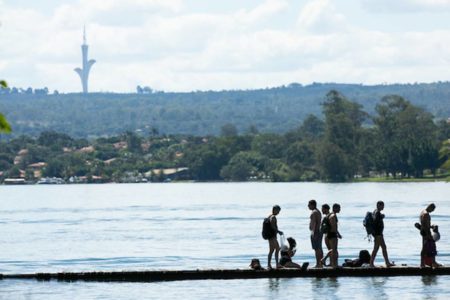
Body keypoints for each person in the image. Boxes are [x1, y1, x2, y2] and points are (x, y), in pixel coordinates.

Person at [369, 201, 394, 267]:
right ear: (378, 205)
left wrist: (381, 216)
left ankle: (387, 262)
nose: (383, 207)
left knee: (384, 247)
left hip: (379, 234)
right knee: (376, 248)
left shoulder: (376, 212)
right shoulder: (377, 213)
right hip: (378, 234)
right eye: (382, 205)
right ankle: (371, 263)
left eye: (383, 205)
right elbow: (375, 221)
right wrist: (382, 216)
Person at [420, 203, 441, 268]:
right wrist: (428, 235)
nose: (432, 211)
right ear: (430, 207)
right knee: (432, 247)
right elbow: (425, 225)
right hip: (426, 233)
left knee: (425, 248)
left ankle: (423, 263)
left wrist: (431, 226)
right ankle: (433, 263)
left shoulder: (422, 212)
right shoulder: (426, 214)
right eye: (433, 210)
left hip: (424, 232)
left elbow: (424, 224)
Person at [308, 199, 323, 268]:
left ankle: (318, 264)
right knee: (319, 248)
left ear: (313, 205)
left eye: (309, 205)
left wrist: (314, 233)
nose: (308, 206)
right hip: (319, 231)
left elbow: (314, 223)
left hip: (316, 231)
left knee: (317, 249)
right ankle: (321, 263)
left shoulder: (314, 212)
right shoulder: (318, 212)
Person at [267, 205, 283, 269]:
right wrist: (278, 231)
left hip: (270, 236)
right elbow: (273, 226)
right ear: (275, 210)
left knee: (272, 250)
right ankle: (276, 264)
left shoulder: (269, 216)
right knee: (277, 248)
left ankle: (270, 264)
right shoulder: (273, 217)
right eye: (278, 211)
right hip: (272, 236)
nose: (278, 212)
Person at [328, 203, 342, 268]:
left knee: (333, 250)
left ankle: (333, 263)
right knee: (334, 250)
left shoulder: (330, 214)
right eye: (339, 208)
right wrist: (338, 234)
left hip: (331, 234)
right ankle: (334, 264)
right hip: (332, 234)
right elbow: (333, 226)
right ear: (335, 208)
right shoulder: (333, 216)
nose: (340, 209)